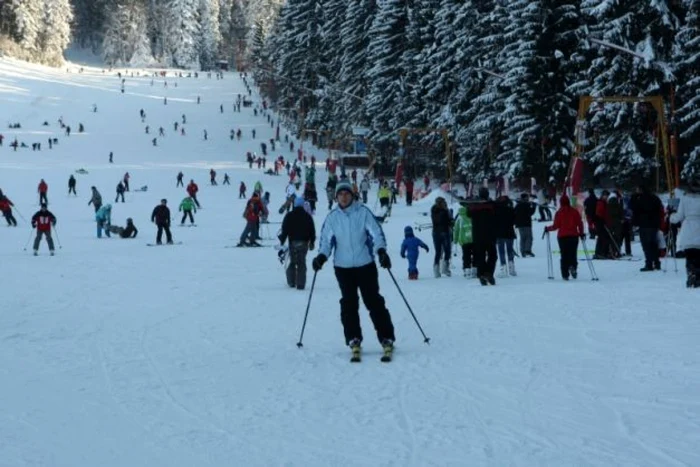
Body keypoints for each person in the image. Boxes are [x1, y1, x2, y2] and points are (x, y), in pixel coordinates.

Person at [312, 179, 395, 358]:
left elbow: (377, 234)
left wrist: (381, 252)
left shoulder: (363, 212)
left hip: (365, 265)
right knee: (349, 303)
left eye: (346, 193)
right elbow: (326, 242)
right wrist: (321, 257)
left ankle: (386, 337)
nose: (343, 197)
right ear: (336, 197)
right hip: (343, 268)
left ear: (352, 195)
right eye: (340, 194)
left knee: (373, 301)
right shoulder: (332, 218)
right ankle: (353, 338)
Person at [279, 197, 316, 290]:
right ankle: (300, 284)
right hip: (304, 243)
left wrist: (281, 242)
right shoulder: (307, 216)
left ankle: (291, 281)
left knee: (293, 262)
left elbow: (284, 230)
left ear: (294, 205)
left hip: (293, 242)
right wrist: (312, 241)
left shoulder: (289, 215)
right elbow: (312, 230)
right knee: (301, 263)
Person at [545, 195, 585, 280]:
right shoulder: (574, 211)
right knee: (573, 254)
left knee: (564, 255)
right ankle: (573, 266)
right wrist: (581, 233)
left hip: (562, 237)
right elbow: (580, 223)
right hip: (573, 236)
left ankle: (565, 274)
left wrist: (548, 229)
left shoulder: (559, 213)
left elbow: (556, 226)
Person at [669, 180, 700, 287]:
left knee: (690, 255)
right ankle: (698, 276)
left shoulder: (684, 199)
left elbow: (679, 216)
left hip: (688, 230)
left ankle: (691, 276)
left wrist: (671, 217)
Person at [468, 187, 497, 285]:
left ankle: (482, 274)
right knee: (492, 255)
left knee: (480, 256)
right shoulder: (492, 205)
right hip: (490, 234)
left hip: (477, 235)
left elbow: (468, 212)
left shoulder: (474, 206)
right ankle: (488, 273)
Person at [630, 184, 663, 271]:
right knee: (653, 244)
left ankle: (649, 263)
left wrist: (634, 196)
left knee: (646, 245)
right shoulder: (655, 198)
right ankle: (657, 262)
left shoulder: (640, 199)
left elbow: (633, 208)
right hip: (654, 224)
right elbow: (660, 209)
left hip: (644, 224)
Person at [494, 195, 517, 277]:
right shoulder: (511, 210)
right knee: (510, 250)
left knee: (501, 251)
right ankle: (511, 267)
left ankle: (503, 267)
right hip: (510, 232)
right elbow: (515, 220)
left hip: (500, 233)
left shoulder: (496, 210)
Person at [430, 197, 452, 277]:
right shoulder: (445, 211)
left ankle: (436, 269)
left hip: (435, 232)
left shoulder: (433, 210)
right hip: (445, 232)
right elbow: (449, 221)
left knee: (438, 252)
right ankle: (445, 268)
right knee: (447, 251)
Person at [453, 205, 474, 277]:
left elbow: (456, 230)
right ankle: (474, 269)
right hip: (473, 239)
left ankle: (466, 269)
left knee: (466, 255)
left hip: (464, 240)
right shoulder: (472, 217)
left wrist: (455, 240)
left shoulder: (459, 218)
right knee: (474, 254)